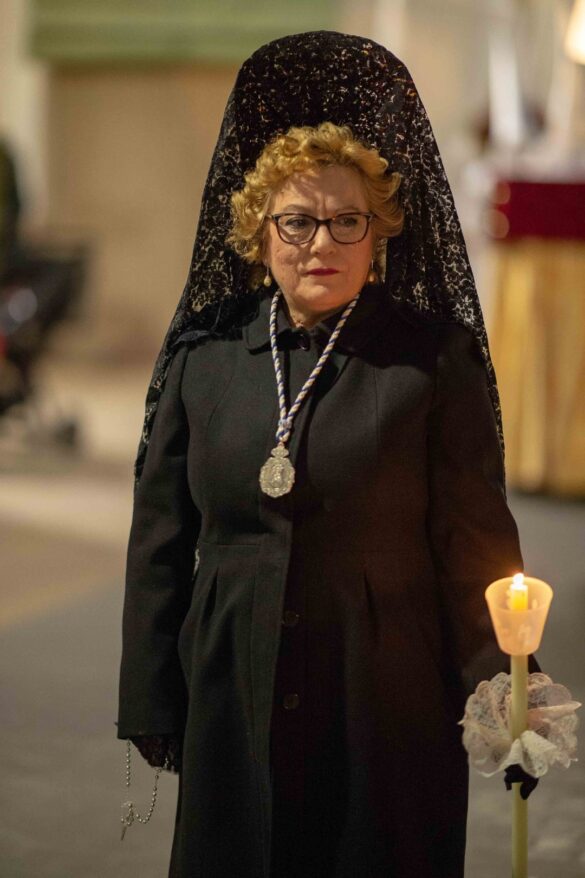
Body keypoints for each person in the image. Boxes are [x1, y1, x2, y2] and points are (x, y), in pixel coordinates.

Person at [117, 32, 537, 878]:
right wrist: (151, 691)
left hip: (386, 691)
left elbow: (474, 543)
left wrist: (507, 693)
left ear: (379, 234)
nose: (322, 244)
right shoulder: (204, 356)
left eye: (348, 222)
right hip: (231, 682)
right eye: (298, 221)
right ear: (258, 231)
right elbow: (160, 539)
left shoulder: (431, 359)